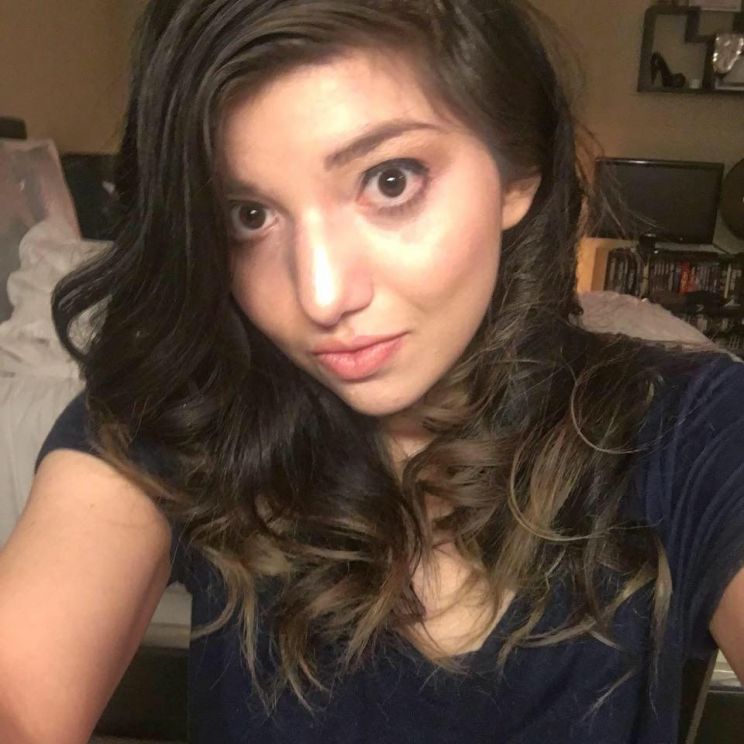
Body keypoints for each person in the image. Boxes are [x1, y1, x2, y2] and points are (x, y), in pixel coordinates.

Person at [1, 1, 742, 742]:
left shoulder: (691, 429)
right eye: (249, 215)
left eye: (390, 181)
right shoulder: (182, 422)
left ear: (518, 171)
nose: (321, 296)